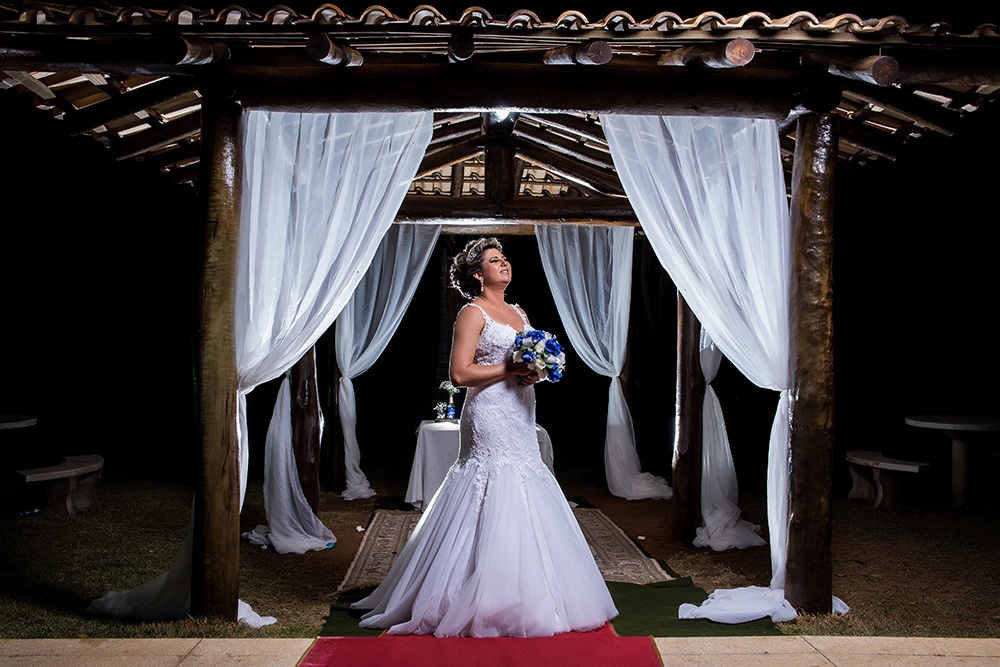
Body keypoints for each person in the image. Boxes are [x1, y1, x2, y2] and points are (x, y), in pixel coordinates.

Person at [352, 237, 617, 637]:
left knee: (526, 483)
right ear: (478, 274)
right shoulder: (471, 313)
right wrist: (511, 369)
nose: (504, 263)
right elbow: (460, 374)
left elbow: (527, 364)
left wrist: (534, 374)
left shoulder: (519, 312)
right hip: (489, 414)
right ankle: (466, 593)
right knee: (490, 483)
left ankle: (527, 589)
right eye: (495, 260)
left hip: (521, 412)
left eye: (504, 258)